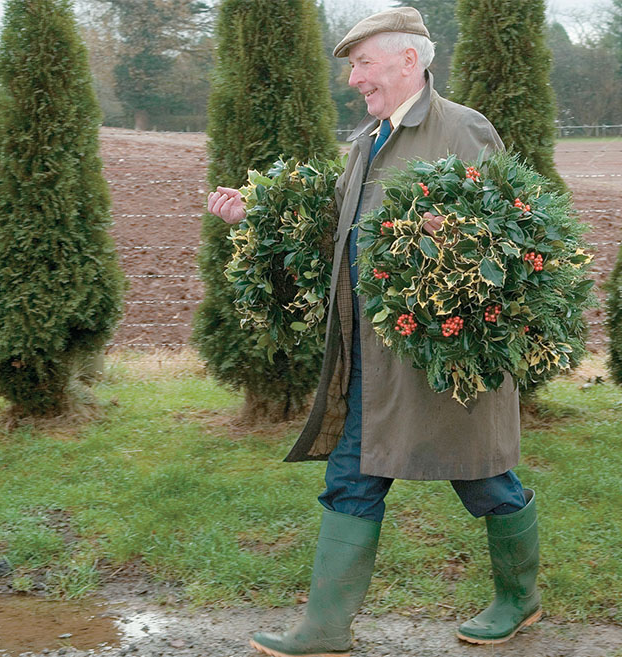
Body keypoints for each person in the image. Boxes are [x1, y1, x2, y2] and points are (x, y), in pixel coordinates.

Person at [207, 8, 541, 656]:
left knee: (483, 477)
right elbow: (332, 218)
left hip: (438, 360)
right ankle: (326, 626)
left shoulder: (462, 129)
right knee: (351, 476)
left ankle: (518, 597)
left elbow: (512, 229)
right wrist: (254, 210)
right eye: (352, 67)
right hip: (375, 359)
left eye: (363, 63)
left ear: (408, 61)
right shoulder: (367, 141)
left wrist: (459, 239)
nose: (354, 78)